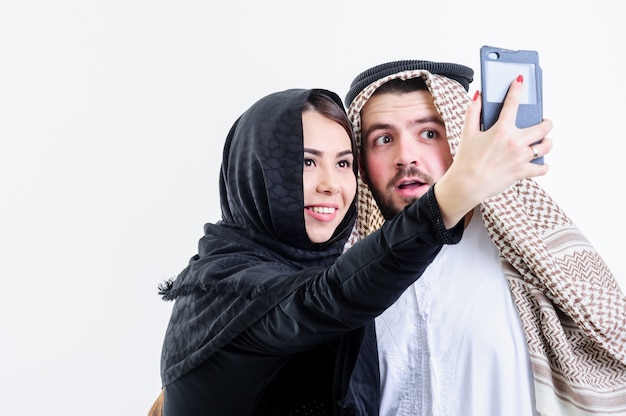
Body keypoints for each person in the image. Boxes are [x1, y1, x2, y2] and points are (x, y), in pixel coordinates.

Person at [148, 83, 546, 416]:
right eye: (305, 163)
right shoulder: (225, 289)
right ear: (256, 174)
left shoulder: (335, 277)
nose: (330, 185)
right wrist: (456, 191)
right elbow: (324, 299)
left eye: (343, 164)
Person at [344, 60, 626, 416]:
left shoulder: (528, 261)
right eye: (383, 139)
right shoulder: (345, 281)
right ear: (362, 164)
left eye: (430, 133)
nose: (406, 156)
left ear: (463, 141)